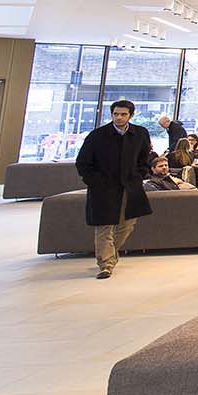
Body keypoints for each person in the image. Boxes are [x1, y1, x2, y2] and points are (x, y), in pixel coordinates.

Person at [74, 99, 154, 279]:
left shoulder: (140, 134)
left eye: (123, 114)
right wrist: (95, 181)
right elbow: (83, 162)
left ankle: (110, 254)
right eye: (116, 114)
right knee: (104, 225)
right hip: (103, 188)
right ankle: (106, 264)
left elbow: (145, 158)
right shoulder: (98, 136)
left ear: (130, 115)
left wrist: (139, 174)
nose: (119, 117)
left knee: (127, 224)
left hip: (130, 186)